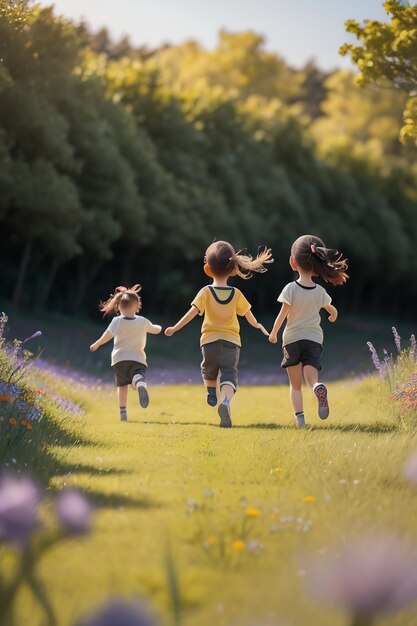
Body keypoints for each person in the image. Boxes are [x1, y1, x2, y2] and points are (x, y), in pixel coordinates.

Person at [165, 241, 272, 428]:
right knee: (229, 375)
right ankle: (226, 402)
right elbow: (250, 318)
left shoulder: (205, 292)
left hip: (209, 342)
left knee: (208, 369)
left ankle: (211, 393)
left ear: (207, 268)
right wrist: (260, 327)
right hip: (231, 342)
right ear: (232, 270)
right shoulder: (237, 293)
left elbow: (190, 314)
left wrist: (175, 327)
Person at [268, 235, 348, 428]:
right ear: (318, 264)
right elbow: (332, 309)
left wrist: (273, 333)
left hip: (292, 339)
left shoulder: (290, 289)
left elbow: (282, 314)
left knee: (295, 386)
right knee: (311, 375)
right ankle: (316, 386)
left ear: (292, 262)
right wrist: (333, 316)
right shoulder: (320, 291)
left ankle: (301, 421)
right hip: (313, 339)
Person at [90, 285, 161, 421]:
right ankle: (139, 383)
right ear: (137, 306)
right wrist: (160, 327)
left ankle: (123, 413)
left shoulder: (116, 321)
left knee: (122, 385)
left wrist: (97, 344)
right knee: (137, 375)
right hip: (137, 358)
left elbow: (107, 335)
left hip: (119, 359)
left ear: (118, 306)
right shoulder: (143, 321)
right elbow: (155, 329)